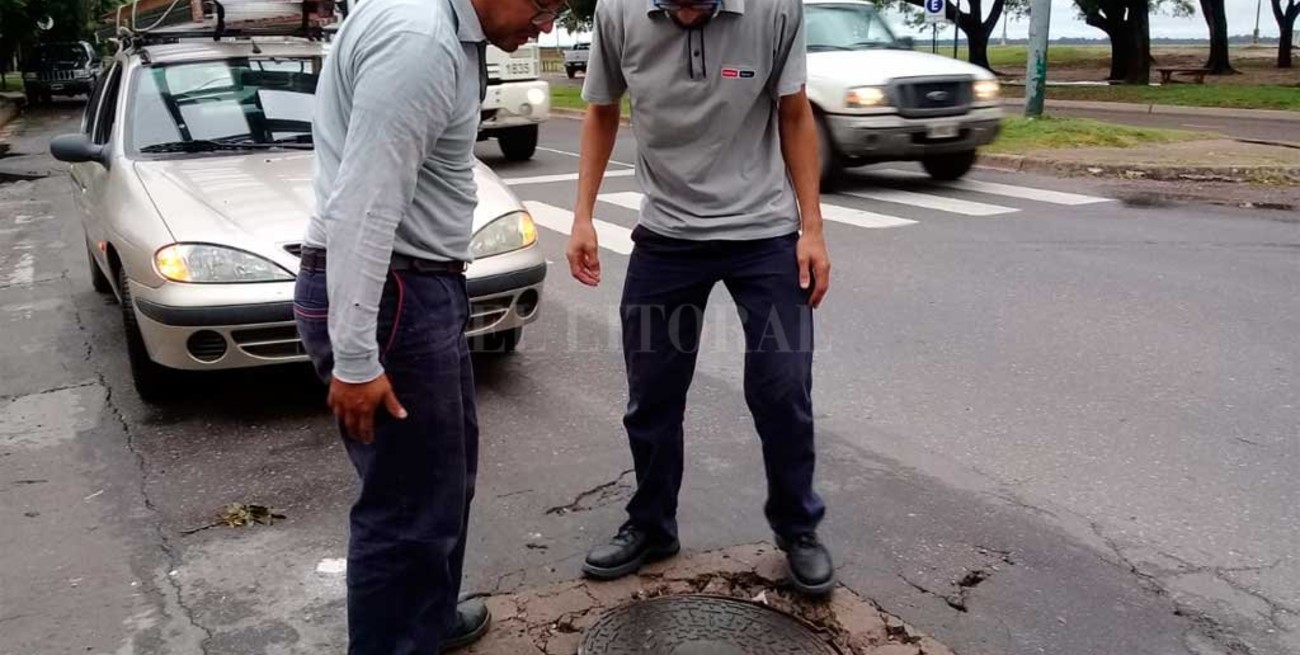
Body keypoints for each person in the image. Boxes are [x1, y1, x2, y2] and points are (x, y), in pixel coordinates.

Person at [293, 0, 565, 652]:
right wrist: (355, 357)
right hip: (395, 293)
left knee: (441, 481)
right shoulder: (421, 41)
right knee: (408, 508)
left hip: (413, 288)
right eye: (544, 3)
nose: (548, 25)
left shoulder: (439, 29)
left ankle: (428, 618)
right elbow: (364, 203)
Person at [567, 0, 836, 596]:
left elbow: (794, 113)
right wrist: (582, 215)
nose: (688, 14)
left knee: (783, 387)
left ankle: (798, 528)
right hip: (666, 236)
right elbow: (601, 109)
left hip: (764, 233)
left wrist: (812, 228)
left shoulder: (775, 8)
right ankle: (651, 525)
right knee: (652, 394)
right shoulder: (617, 10)